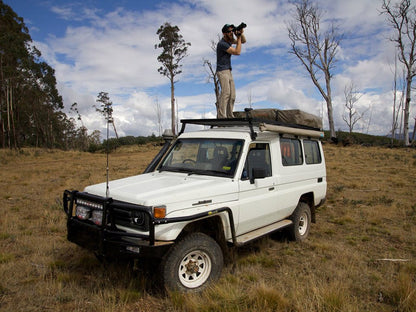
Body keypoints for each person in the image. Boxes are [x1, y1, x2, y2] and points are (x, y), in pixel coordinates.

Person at [216, 24, 246, 119]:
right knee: (226, 93)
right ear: (224, 33)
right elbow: (237, 52)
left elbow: (243, 41)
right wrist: (238, 38)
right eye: (229, 32)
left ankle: (230, 115)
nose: (231, 33)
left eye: (232, 31)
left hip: (228, 70)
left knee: (232, 95)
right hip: (222, 71)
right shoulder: (222, 44)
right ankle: (221, 116)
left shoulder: (230, 40)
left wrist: (240, 34)